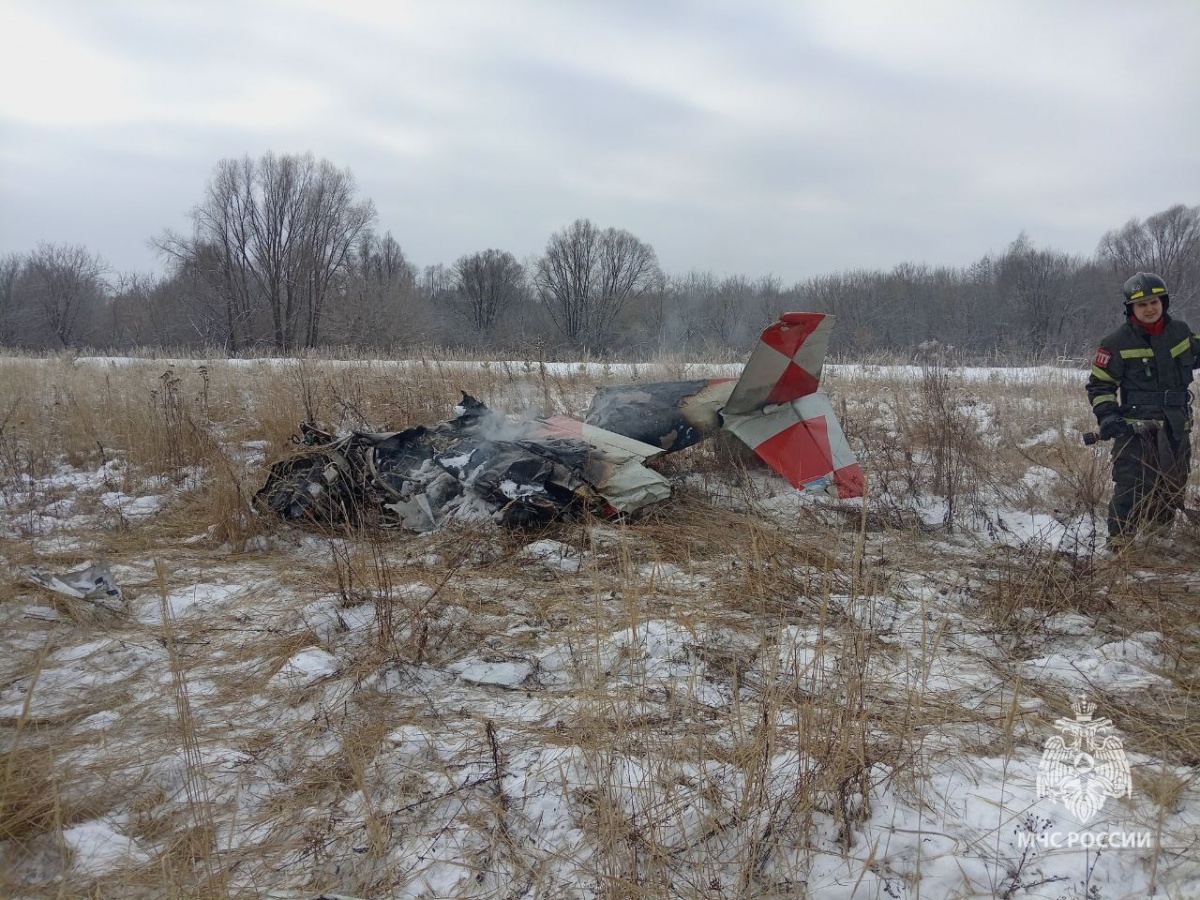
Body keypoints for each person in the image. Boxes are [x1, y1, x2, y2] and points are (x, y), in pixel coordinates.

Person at [1086, 272, 1200, 550]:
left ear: (1164, 302)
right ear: (1131, 308)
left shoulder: (1181, 332)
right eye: (1142, 304)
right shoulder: (1115, 342)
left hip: (1176, 427)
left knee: (1172, 484)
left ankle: (1157, 542)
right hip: (1136, 431)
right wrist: (1108, 416)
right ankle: (1119, 545)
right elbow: (1100, 386)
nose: (1149, 308)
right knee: (1132, 485)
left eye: (1154, 302)